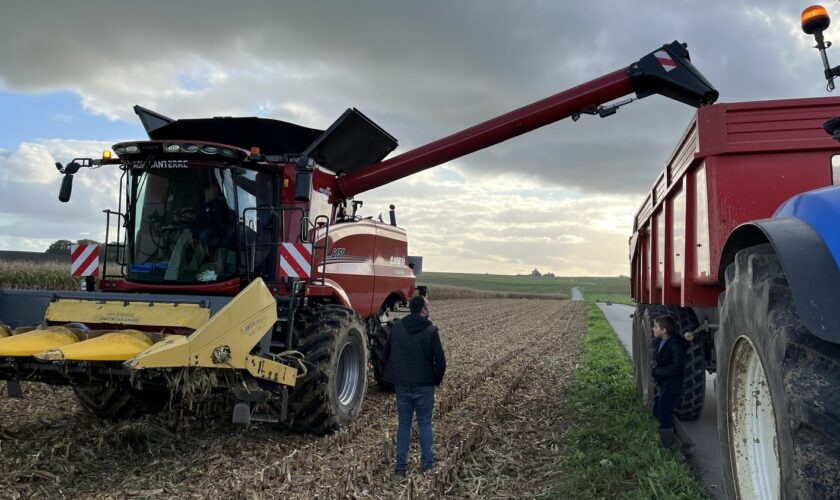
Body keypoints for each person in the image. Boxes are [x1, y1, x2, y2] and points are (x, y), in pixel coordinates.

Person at [383, 295, 446, 477]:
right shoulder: (431, 331)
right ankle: (427, 466)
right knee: (425, 424)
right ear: (424, 310)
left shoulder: (397, 328)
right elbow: (440, 362)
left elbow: (385, 355)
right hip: (424, 386)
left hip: (402, 385)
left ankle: (400, 468)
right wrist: (435, 380)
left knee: (404, 425)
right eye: (428, 306)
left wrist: (394, 375)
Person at [651, 314, 687, 448]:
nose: (653, 329)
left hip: (672, 385)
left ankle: (669, 445)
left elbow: (677, 367)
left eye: (655, 327)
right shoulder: (661, 341)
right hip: (665, 383)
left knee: (663, 411)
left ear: (664, 330)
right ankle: (677, 438)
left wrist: (657, 372)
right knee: (657, 409)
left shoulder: (675, 345)